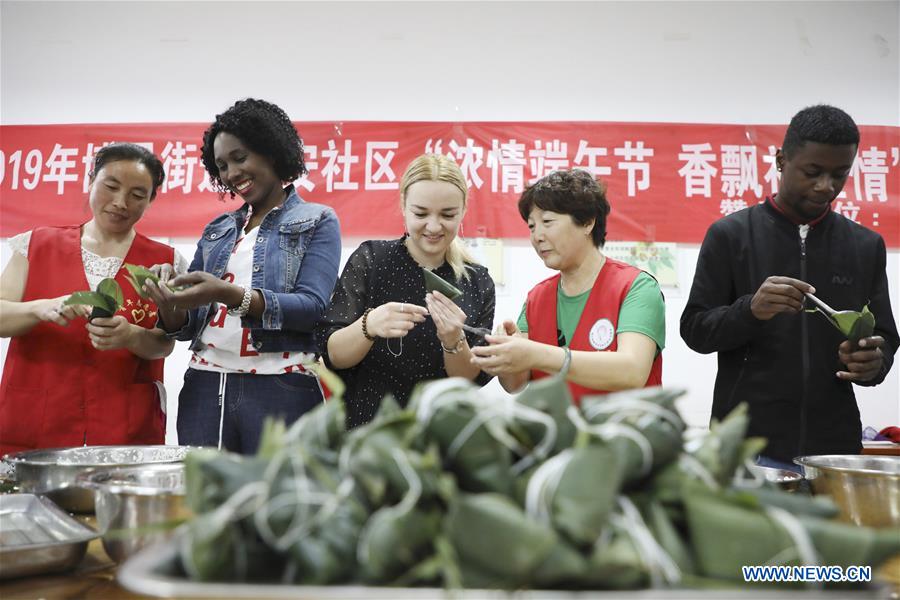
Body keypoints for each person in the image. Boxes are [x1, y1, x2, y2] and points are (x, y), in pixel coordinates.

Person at [680, 104, 898, 470]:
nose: (826, 186)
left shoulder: (864, 246)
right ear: (782, 160)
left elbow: (885, 336)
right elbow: (695, 330)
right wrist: (749, 310)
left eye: (839, 174)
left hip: (834, 450)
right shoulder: (731, 236)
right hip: (746, 449)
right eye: (812, 172)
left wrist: (874, 362)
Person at [145, 98, 341, 454]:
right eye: (221, 166)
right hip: (205, 387)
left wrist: (231, 294)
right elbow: (188, 326)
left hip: (282, 387)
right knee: (211, 505)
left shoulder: (317, 219)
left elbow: (313, 307)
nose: (232, 173)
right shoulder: (219, 229)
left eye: (240, 157)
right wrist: (169, 301)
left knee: (279, 505)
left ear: (271, 150)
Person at [0, 143, 181, 456]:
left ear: (151, 200)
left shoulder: (165, 262)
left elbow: (165, 342)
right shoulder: (35, 244)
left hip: (123, 423)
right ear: (90, 180)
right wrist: (40, 307)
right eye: (110, 186)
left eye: (138, 195)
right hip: (38, 416)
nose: (120, 203)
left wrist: (131, 335)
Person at [317, 154, 495, 427]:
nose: (434, 227)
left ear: (463, 211)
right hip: (369, 431)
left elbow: (468, 380)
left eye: (448, 215)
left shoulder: (477, 281)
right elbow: (332, 355)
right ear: (403, 205)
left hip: (440, 434)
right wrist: (369, 324)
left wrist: (453, 340)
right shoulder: (372, 259)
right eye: (421, 213)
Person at [470, 169, 665, 403]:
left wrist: (536, 354)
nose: (537, 236)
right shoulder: (538, 297)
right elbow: (514, 384)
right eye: (532, 226)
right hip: (559, 436)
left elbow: (632, 370)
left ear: (587, 222)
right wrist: (507, 352)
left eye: (548, 222)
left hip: (623, 435)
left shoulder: (636, 287)